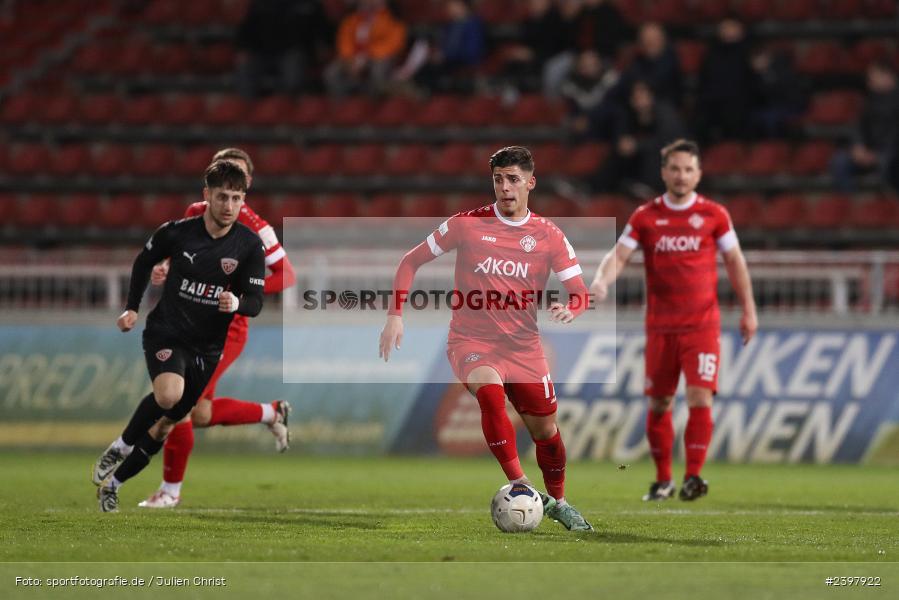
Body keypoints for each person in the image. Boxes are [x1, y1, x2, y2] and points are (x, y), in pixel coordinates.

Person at [379, 146, 593, 531]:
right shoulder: (466, 224)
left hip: (524, 347)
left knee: (547, 434)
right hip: (471, 341)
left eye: (513, 179)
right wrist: (395, 315)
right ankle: (522, 485)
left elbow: (579, 291)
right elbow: (410, 261)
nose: (505, 187)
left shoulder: (549, 235)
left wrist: (572, 308)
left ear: (530, 182)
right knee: (490, 395)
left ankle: (558, 501)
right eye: (498, 179)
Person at [92, 161, 266, 512]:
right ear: (206, 196)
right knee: (170, 396)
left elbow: (256, 302)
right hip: (167, 332)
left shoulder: (249, 246)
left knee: (166, 425)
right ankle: (123, 444)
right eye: (222, 197)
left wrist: (238, 301)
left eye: (236, 198)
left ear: (243, 199)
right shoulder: (178, 233)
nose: (229, 206)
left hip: (208, 347)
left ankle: (114, 483)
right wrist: (131, 308)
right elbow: (144, 261)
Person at [589, 139, 757, 502]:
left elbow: (735, 262)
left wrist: (749, 309)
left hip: (702, 326)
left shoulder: (715, 215)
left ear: (698, 173)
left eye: (688, 169)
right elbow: (618, 257)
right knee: (660, 403)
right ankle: (663, 480)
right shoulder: (645, 216)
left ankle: (693, 476)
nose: (681, 176)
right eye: (675, 169)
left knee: (700, 396)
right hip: (661, 328)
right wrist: (601, 281)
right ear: (664, 172)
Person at [139, 148, 297, 509]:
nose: (228, 191)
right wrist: (164, 267)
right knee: (201, 413)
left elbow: (288, 275)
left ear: (247, 185)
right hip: (189, 319)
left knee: (179, 403)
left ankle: (170, 491)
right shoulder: (197, 212)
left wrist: (241, 294)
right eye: (220, 182)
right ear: (210, 186)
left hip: (227, 329)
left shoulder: (258, 230)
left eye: (236, 183)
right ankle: (271, 412)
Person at [830, 61, 899, 192]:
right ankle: (848, 201)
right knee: (840, 161)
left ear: (889, 76)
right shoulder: (869, 101)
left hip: (892, 153)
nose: (870, 81)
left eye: (874, 76)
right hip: (868, 151)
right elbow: (858, 126)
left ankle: (888, 205)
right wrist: (858, 146)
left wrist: (877, 153)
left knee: (890, 164)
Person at [323, 0, 407, 97]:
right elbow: (344, 40)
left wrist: (368, 55)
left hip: (378, 57)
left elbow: (394, 43)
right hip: (354, 58)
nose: (369, 4)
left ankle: (372, 103)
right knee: (331, 73)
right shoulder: (352, 19)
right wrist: (350, 59)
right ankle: (342, 104)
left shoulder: (392, 18)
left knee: (377, 72)